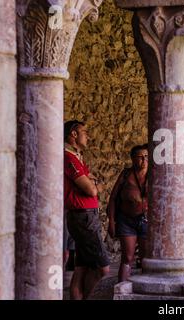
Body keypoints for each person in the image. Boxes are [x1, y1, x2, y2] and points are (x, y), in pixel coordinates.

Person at [64, 120, 110, 300]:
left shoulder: (77, 156)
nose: (88, 136)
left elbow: (94, 180)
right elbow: (91, 189)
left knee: (81, 267)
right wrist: (95, 184)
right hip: (83, 217)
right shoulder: (69, 158)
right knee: (103, 268)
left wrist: (94, 182)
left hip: (84, 216)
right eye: (85, 131)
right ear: (73, 134)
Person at [107, 144, 148, 283]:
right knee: (127, 258)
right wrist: (111, 221)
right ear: (132, 159)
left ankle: (145, 291)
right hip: (126, 220)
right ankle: (121, 291)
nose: (144, 160)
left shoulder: (154, 175)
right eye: (140, 157)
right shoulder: (126, 175)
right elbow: (113, 198)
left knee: (145, 259)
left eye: (146, 157)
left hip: (146, 220)